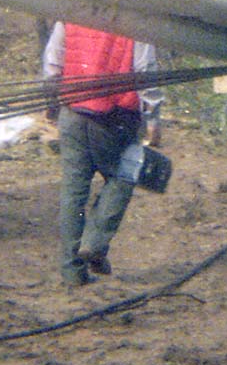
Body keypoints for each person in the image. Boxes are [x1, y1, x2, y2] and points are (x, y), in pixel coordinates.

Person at [42, 22, 162, 287]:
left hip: (72, 113)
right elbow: (145, 72)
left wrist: (51, 105)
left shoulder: (70, 15)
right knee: (124, 176)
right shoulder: (136, 20)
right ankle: (95, 244)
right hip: (114, 118)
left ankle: (72, 272)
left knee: (73, 192)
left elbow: (53, 63)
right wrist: (153, 118)